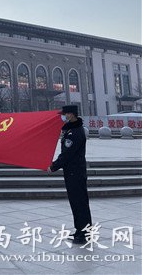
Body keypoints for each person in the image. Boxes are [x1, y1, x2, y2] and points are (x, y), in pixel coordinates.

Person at [48, 105, 91, 245]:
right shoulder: (71, 129)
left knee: (79, 203)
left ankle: (84, 234)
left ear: (71, 114)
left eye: (65, 114)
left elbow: (67, 154)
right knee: (76, 203)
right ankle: (80, 230)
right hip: (72, 171)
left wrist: (53, 166)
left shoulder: (75, 132)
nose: (63, 116)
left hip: (75, 173)